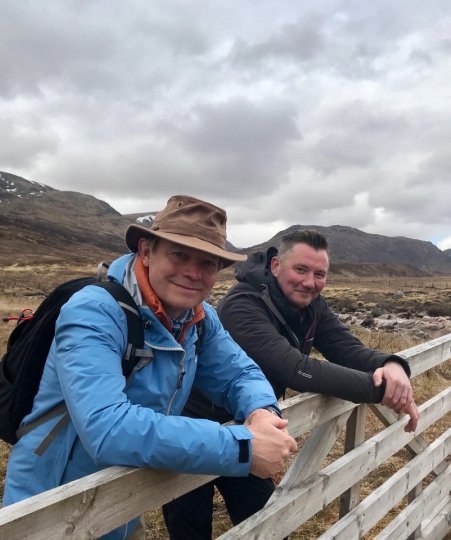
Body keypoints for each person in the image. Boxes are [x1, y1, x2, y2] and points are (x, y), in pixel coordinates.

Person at [2, 195, 298, 540]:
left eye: (208, 263)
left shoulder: (199, 319)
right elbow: (107, 429)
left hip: (123, 501)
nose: (193, 272)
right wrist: (242, 447)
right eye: (179, 254)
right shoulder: (93, 312)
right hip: (52, 508)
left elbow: (240, 373)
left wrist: (261, 410)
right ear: (146, 251)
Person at [163, 229, 419, 539]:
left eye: (319, 274)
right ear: (275, 266)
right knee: (189, 527)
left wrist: (390, 364)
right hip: (194, 427)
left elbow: (345, 347)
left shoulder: (312, 305)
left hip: (252, 429)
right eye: (301, 269)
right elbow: (294, 369)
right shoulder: (242, 306)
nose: (310, 282)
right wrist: (383, 391)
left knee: (267, 525)